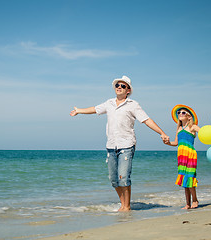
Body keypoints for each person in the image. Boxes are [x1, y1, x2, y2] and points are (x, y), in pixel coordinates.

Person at [70, 75, 170, 212]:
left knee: (123, 177)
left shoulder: (133, 105)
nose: (119, 87)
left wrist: (162, 133)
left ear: (128, 90)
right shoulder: (109, 103)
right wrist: (79, 111)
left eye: (123, 86)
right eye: (117, 85)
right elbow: (95, 109)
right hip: (111, 145)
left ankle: (126, 207)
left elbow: (146, 120)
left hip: (127, 144)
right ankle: (122, 204)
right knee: (113, 179)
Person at [165, 105, 200, 209]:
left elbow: (204, 132)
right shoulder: (179, 128)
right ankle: (187, 204)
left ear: (189, 116)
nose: (180, 114)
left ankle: (195, 200)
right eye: (179, 112)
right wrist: (167, 143)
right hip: (181, 156)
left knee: (190, 178)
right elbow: (176, 143)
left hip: (190, 155)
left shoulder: (192, 127)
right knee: (184, 179)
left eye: (183, 112)